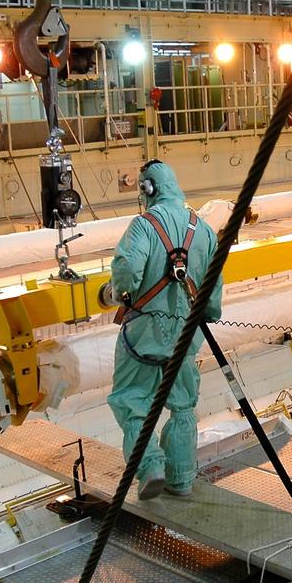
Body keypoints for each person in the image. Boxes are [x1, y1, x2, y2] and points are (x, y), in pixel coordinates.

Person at [107, 160, 223, 499]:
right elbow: (213, 286)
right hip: (186, 334)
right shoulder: (202, 229)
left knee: (132, 402)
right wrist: (209, 313)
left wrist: (120, 293)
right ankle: (182, 478)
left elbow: (127, 267)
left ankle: (150, 466)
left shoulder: (143, 226)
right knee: (183, 405)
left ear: (147, 189)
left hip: (144, 334)